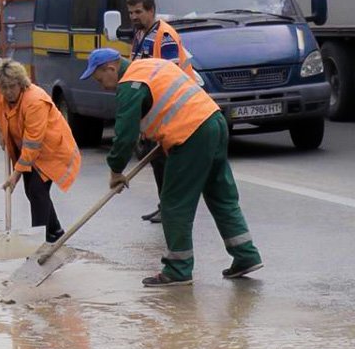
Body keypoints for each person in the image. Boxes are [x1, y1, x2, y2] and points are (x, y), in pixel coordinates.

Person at [80, 47, 262, 286]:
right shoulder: (152, 66)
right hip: (213, 121)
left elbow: (124, 135)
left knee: (174, 203)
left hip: (191, 134)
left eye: (100, 78)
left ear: (111, 68)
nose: (102, 85)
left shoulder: (130, 84)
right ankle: (246, 255)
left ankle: (178, 269)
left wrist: (115, 170)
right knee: (221, 196)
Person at [126, 0, 198, 225]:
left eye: (138, 12)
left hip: (171, 107)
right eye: (130, 13)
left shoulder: (164, 36)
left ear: (151, 10)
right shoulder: (139, 34)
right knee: (157, 161)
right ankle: (164, 205)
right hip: (154, 106)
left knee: (165, 161)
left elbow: (171, 77)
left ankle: (171, 207)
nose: (134, 17)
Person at [0, 59, 81, 243]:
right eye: (3, 87)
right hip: (30, 149)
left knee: (37, 191)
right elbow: (0, 115)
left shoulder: (34, 101)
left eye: (11, 87)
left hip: (51, 150)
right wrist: (3, 134)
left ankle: (38, 243)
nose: (7, 92)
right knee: (32, 192)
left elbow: (33, 143)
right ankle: (55, 231)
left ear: (21, 83)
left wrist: (15, 175)